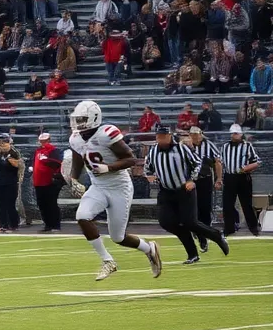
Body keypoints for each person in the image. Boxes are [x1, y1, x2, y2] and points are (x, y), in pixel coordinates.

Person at [64, 100, 162, 281]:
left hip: (119, 186)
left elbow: (131, 159)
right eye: (77, 119)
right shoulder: (75, 138)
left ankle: (149, 249)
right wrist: (74, 179)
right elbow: (78, 160)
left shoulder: (106, 133)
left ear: (94, 118)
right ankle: (108, 261)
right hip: (98, 186)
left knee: (118, 237)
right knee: (82, 216)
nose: (78, 123)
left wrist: (108, 167)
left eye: (83, 119)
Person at [145, 126, 228, 264]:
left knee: (190, 222)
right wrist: (149, 176)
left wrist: (191, 179)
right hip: (166, 191)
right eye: (158, 136)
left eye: (163, 136)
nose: (160, 139)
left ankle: (216, 236)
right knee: (166, 222)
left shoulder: (181, 149)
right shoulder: (153, 151)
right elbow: (148, 167)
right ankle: (193, 253)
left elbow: (197, 163)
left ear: (169, 136)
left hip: (184, 190)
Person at [220, 124, 261, 237]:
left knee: (246, 204)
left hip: (243, 177)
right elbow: (220, 162)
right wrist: (219, 178)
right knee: (227, 205)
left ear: (241, 134)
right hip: (229, 176)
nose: (234, 135)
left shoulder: (247, 146)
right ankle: (229, 229)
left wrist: (247, 168)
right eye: (233, 133)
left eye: (236, 133)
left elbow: (257, 161)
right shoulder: (225, 147)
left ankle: (253, 228)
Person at [31, 133, 63, 232]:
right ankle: (47, 224)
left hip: (50, 181)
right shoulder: (37, 151)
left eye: (45, 141)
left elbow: (57, 164)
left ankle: (55, 225)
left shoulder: (54, 150)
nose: (43, 143)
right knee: (42, 204)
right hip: (38, 181)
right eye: (41, 141)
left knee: (51, 203)